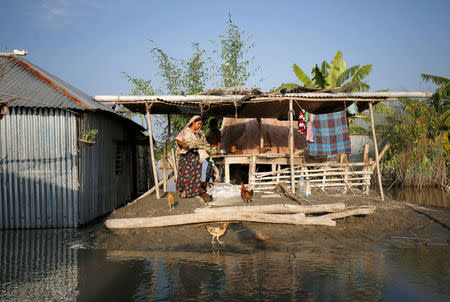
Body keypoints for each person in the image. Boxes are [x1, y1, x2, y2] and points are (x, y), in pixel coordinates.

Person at [175, 115, 210, 198]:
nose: (199, 126)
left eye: (201, 124)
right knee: (185, 174)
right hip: (186, 155)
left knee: (196, 174)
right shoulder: (185, 131)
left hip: (196, 155)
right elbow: (177, 139)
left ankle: (193, 193)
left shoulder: (200, 133)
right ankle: (184, 191)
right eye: (198, 124)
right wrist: (183, 144)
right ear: (193, 122)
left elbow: (205, 144)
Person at [205, 118, 222, 183]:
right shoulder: (210, 131)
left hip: (214, 149)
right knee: (211, 165)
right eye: (212, 124)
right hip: (209, 150)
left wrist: (217, 150)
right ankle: (208, 182)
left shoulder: (217, 131)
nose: (213, 125)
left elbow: (219, 141)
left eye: (214, 124)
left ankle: (208, 181)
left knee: (212, 165)